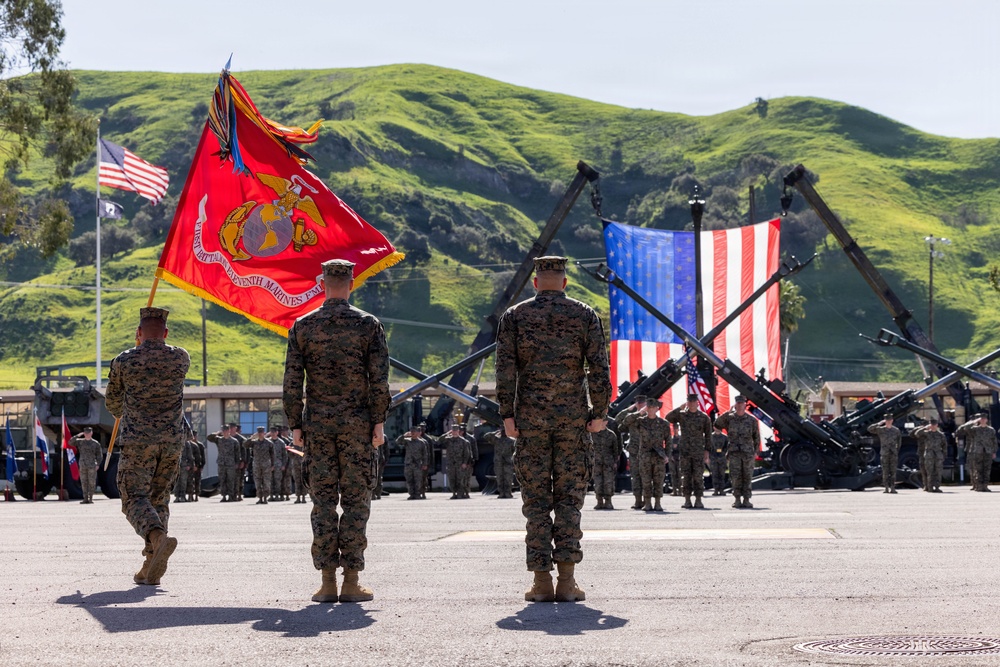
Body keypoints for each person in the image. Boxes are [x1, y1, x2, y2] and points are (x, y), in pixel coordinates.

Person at [496, 255, 611, 603]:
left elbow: (505, 370)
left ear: (535, 282)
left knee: (535, 502)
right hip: (573, 422)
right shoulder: (584, 314)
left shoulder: (515, 316)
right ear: (564, 282)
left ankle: (541, 581)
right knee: (569, 500)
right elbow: (599, 369)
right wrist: (600, 412)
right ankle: (567, 580)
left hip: (530, 422)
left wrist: (507, 415)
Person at [283, 258, 390, 603]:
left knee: (323, 503)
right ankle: (352, 580)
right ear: (352, 282)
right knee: (357, 501)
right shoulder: (367, 324)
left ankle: (327, 581)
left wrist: (295, 423)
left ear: (321, 282)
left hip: (318, 426)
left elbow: (291, 381)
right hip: (357, 427)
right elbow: (379, 379)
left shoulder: (303, 326)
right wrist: (378, 421)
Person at [105, 306, 190, 586]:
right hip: (172, 440)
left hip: (138, 441)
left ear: (138, 333)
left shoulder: (125, 360)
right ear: (165, 333)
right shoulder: (180, 357)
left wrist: (124, 408)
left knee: (134, 498)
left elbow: (113, 403)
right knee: (160, 499)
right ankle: (150, 562)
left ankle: (156, 537)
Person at [666, 394, 713, 509]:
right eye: (689, 401)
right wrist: (679, 408)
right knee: (685, 476)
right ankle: (687, 500)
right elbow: (668, 417)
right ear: (687, 402)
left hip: (698, 451)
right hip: (685, 451)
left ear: (697, 403)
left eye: (693, 401)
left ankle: (698, 500)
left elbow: (708, 435)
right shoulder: (682, 415)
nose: (691, 403)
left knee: (698, 476)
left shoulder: (704, 417)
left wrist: (707, 451)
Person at [714, 396, 761, 509]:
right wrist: (727, 412)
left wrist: (756, 451)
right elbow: (717, 424)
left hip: (747, 453)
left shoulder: (751, 420)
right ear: (735, 405)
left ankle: (746, 499)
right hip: (734, 453)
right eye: (738, 403)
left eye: (742, 403)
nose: (740, 405)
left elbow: (756, 437)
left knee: (747, 476)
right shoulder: (730, 419)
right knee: (735, 477)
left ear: (745, 405)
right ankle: (737, 499)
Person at [634, 398, 671, 512]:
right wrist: (640, 412)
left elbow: (668, 440)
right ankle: (648, 503)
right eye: (648, 407)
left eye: (653, 407)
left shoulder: (663, 423)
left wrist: (667, 455)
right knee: (646, 480)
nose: (650, 409)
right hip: (645, 455)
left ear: (657, 408)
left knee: (658, 480)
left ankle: (658, 503)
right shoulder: (640, 421)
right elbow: (624, 422)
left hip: (659, 456)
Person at [614, 396, 647, 510]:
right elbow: (618, 420)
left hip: (646, 452)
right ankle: (638, 501)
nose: (641, 404)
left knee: (646, 477)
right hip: (634, 451)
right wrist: (630, 409)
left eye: (643, 403)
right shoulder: (631, 418)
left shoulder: (650, 418)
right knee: (635, 476)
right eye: (639, 403)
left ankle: (647, 501)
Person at [957, 413, 997, 492]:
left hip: (988, 451)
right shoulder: (974, 429)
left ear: (987, 420)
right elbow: (962, 428)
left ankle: (985, 486)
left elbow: (994, 442)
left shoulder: (991, 430)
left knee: (987, 469)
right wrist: (974, 421)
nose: (982, 420)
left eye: (984, 419)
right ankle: (979, 486)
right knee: (978, 469)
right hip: (977, 451)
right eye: (981, 419)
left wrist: (994, 452)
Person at [590, 421, 621, 510]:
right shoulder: (593, 434)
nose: (602, 423)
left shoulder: (611, 435)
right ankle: (599, 501)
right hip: (596, 462)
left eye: (603, 421)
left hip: (608, 463)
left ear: (606, 422)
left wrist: (615, 462)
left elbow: (615, 449)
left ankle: (608, 501)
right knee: (598, 482)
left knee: (609, 482)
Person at [868, 417, 901, 494]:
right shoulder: (881, 429)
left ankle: (892, 487)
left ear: (892, 420)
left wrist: (896, 451)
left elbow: (899, 442)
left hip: (893, 453)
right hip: (884, 452)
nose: (888, 422)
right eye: (887, 420)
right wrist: (879, 423)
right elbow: (870, 429)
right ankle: (886, 487)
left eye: (889, 420)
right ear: (885, 421)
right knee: (885, 470)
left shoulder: (896, 430)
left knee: (893, 470)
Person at [913, 419, 947, 493]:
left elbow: (944, 446)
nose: (933, 427)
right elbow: (917, 433)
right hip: (929, 454)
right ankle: (929, 487)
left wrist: (944, 455)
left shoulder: (941, 435)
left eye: (934, 425)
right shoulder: (926, 434)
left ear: (937, 425)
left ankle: (937, 487)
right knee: (929, 471)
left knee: (938, 471)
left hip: (938, 455)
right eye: (932, 425)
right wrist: (925, 427)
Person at [208, 425, 239, 502]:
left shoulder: (234, 441)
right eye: (223, 431)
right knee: (222, 480)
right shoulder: (219, 440)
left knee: (230, 480)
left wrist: (237, 463)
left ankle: (231, 496)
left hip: (231, 464)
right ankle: (224, 496)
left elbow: (237, 454)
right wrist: (217, 433)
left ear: (229, 431)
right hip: (221, 463)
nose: (225, 432)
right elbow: (209, 438)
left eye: (226, 430)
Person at [70, 427, 102, 504]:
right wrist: (78, 435)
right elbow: (70, 442)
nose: (87, 435)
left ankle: (90, 498)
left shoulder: (95, 443)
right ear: (84, 434)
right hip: (83, 465)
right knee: (83, 482)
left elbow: (99, 455)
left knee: (91, 482)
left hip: (92, 465)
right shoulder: (80, 442)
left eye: (89, 433)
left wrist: (98, 464)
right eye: (86, 433)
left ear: (91, 433)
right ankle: (85, 498)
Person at [442, 424, 474, 499]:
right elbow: (439, 440)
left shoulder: (464, 441)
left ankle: (461, 493)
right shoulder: (448, 440)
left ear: (458, 431)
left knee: (460, 479)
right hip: (451, 464)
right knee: (452, 479)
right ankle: (454, 493)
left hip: (460, 464)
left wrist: (465, 463)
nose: (454, 432)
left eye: (456, 431)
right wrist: (447, 434)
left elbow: (467, 453)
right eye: (453, 431)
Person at [484, 428, 516, 498]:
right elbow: (486, 436)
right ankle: (501, 493)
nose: (503, 432)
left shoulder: (511, 441)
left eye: (504, 431)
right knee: (499, 478)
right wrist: (496, 431)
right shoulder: (496, 440)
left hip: (508, 462)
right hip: (498, 462)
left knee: (508, 478)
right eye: (502, 431)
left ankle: (508, 492)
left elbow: (515, 451)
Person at [398, 429, 428, 500]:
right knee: (409, 480)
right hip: (409, 463)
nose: (413, 433)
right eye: (412, 432)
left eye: (415, 432)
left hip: (417, 464)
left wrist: (425, 464)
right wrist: (404, 435)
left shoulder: (422, 442)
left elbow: (425, 454)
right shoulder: (407, 441)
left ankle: (417, 494)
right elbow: (398, 442)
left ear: (418, 433)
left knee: (418, 480)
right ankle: (411, 494)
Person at [249, 427, 273, 504]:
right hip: (257, 464)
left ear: (264, 433)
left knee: (266, 482)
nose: (260, 434)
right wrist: (252, 437)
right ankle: (260, 498)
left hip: (266, 465)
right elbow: (245, 444)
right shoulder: (254, 442)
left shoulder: (269, 443)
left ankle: (265, 497)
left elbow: (273, 455)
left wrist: (273, 465)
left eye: (261, 432)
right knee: (258, 482)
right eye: (259, 432)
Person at [708, 426, 729, 497]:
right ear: (713, 428)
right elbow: (707, 447)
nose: (717, 428)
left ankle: (722, 490)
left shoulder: (725, 437)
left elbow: (727, 447)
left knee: (722, 474)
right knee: (714, 474)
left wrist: (726, 455)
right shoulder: (710, 437)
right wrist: (708, 457)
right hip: (713, 458)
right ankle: (716, 490)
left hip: (722, 458)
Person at [270, 425, 288, 501]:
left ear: (277, 433)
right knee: (270, 481)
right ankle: (271, 495)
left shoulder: (281, 442)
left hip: (278, 465)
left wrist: (284, 465)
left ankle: (278, 495)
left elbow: (285, 455)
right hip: (269, 465)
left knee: (278, 481)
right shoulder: (268, 442)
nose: (273, 434)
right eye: (272, 432)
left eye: (274, 432)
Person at [230, 423, 247, 502]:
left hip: (239, 462)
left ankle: (239, 494)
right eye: (230, 428)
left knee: (239, 480)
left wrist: (243, 461)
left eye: (232, 428)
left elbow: (244, 451)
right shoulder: (226, 438)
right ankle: (232, 495)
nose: (231, 429)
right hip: (229, 462)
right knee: (230, 479)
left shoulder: (240, 439)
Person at [173, 438, 194, 503]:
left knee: (183, 481)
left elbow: (190, 455)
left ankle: (182, 496)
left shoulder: (186, 443)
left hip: (184, 465)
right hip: (176, 465)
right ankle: (177, 496)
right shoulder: (174, 441)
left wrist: (189, 465)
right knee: (176, 482)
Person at [189, 436, 205, 501]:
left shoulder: (200, 445)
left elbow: (202, 457)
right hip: (190, 466)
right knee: (190, 481)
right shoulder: (189, 445)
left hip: (197, 466)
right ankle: (191, 495)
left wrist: (200, 466)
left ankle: (196, 495)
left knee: (197, 481)